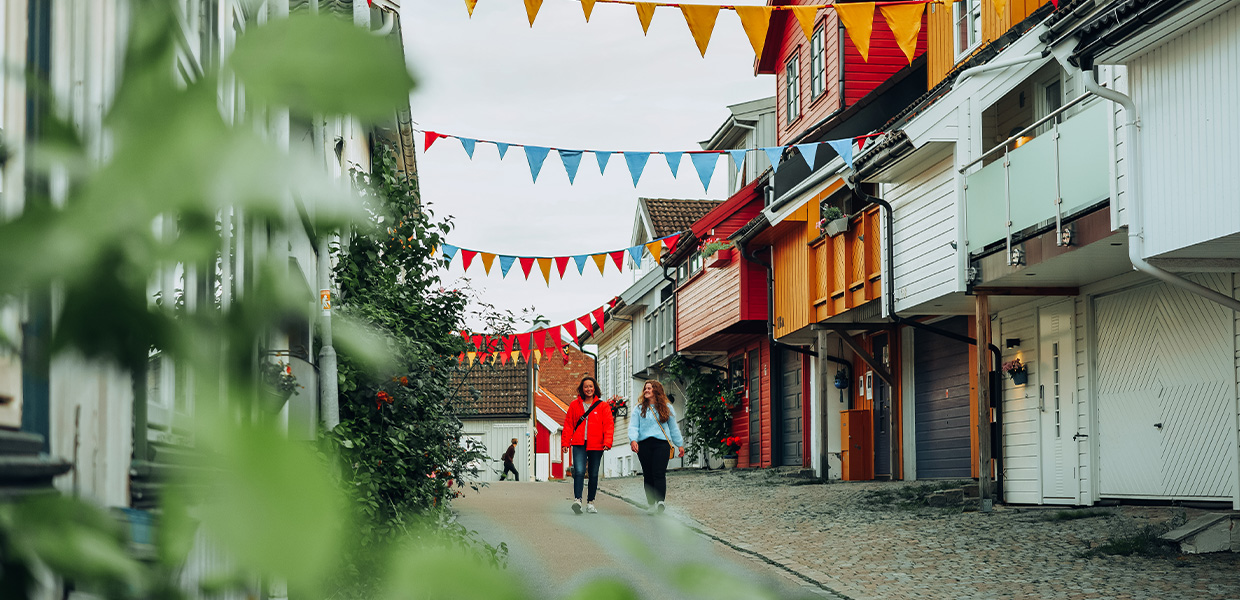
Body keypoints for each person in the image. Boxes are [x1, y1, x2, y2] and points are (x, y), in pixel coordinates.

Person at [628, 380, 684, 514]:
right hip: (644, 444)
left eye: (649, 388)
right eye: (645, 388)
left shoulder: (667, 408)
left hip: (661, 444)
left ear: (656, 391)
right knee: (648, 475)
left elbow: (673, 428)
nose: (646, 391)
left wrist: (679, 444)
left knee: (659, 473)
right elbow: (634, 426)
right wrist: (633, 440)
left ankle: (660, 502)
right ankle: (651, 504)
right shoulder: (639, 408)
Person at [561, 375, 614, 514]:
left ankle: (591, 502)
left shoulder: (603, 406)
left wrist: (607, 442)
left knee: (593, 473)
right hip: (579, 443)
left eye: (591, 386)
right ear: (582, 389)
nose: (588, 389)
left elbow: (608, 425)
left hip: (597, 444)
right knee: (578, 471)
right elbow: (568, 424)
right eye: (586, 387)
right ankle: (577, 500)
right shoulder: (574, 405)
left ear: (595, 388)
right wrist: (565, 442)